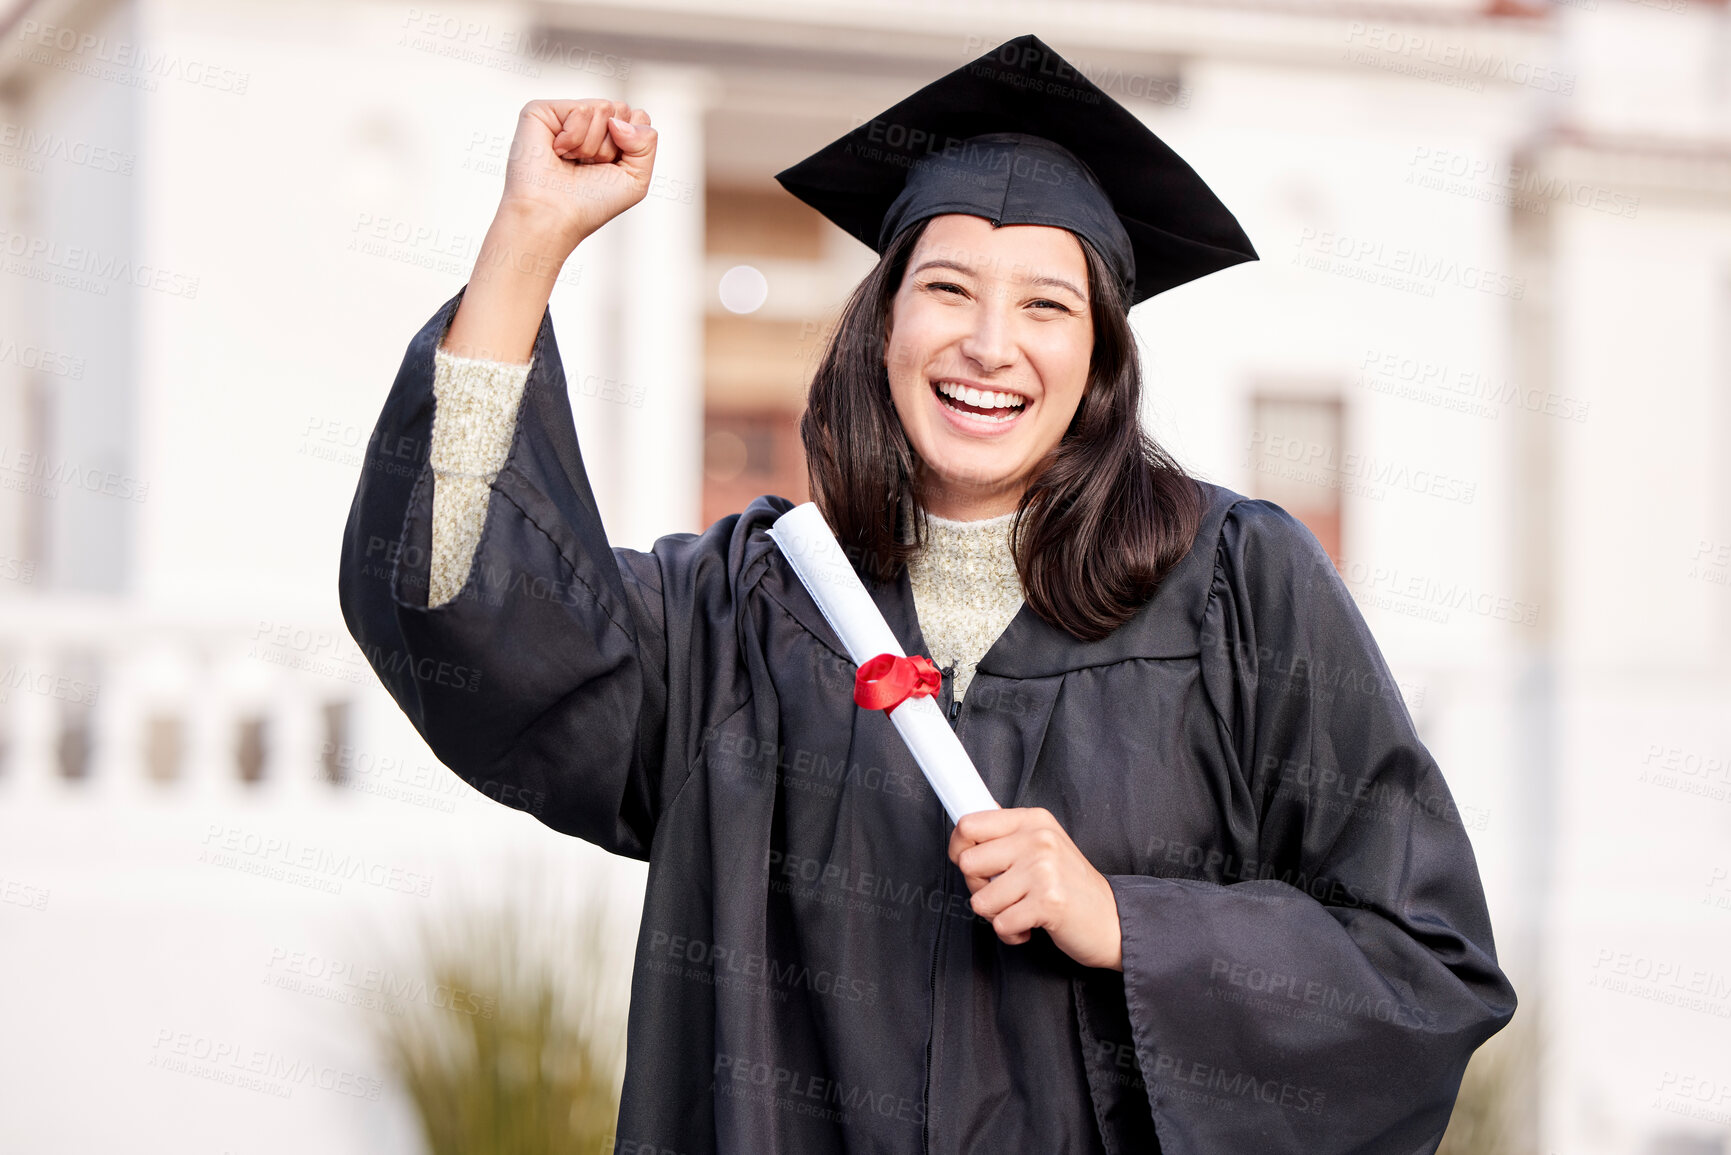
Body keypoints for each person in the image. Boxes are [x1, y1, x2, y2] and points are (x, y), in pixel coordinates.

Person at [340, 34, 1516, 1155]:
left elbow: (1423, 965)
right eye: (949, 289)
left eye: (1048, 306)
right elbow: (497, 631)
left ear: (1101, 358)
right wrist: (527, 245)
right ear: (885, 324)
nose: (991, 344)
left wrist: (1134, 927)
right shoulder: (748, 610)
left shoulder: (1239, 590)